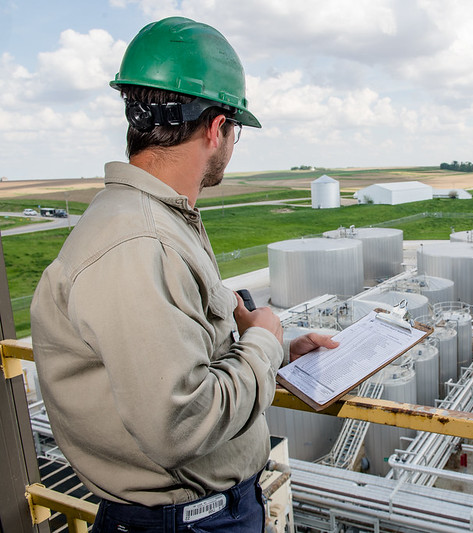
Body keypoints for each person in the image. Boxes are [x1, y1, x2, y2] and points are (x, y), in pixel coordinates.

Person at [30, 16, 336, 533]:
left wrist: (277, 348)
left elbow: (183, 353)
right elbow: (180, 423)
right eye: (235, 130)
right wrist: (262, 342)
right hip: (184, 522)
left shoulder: (154, 222)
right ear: (217, 128)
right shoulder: (141, 243)